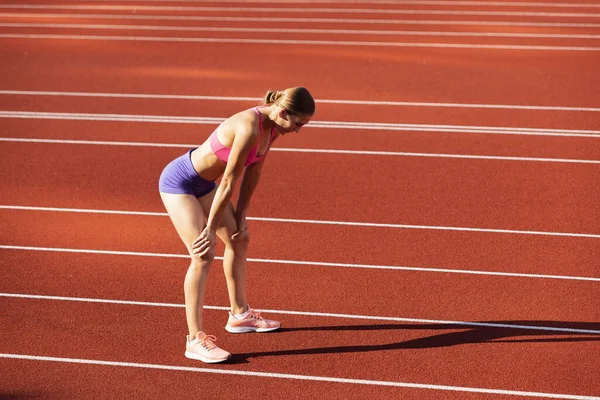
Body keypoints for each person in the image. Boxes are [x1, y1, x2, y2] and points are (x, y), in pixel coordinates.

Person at [158, 87, 315, 363]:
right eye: (298, 123)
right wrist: (209, 228)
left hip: (205, 185)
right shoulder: (247, 126)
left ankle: (239, 315)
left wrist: (241, 214)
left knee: (238, 238)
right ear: (282, 112)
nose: (299, 130)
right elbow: (229, 180)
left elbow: (255, 170)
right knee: (203, 253)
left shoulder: (274, 128)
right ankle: (194, 339)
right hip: (179, 183)